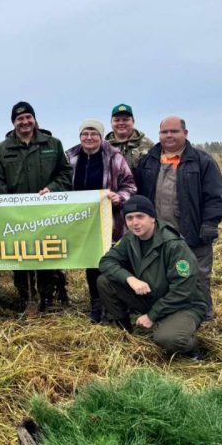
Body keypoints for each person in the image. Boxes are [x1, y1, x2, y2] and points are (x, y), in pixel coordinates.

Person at [135, 116, 222, 321]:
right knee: (164, 274)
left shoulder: (202, 161)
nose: (169, 135)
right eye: (164, 132)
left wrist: (210, 224)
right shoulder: (148, 161)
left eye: (174, 131)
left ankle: (204, 315)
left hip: (191, 231)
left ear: (185, 133)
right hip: (158, 232)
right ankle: (167, 314)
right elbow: (138, 194)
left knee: (198, 275)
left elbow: (215, 197)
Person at [97, 196, 207, 359]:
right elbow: (106, 262)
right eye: (129, 218)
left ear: (152, 218)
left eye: (140, 216)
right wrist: (130, 279)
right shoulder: (130, 239)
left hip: (184, 305)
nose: (135, 223)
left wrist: (152, 316)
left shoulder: (174, 245)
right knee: (105, 281)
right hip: (152, 297)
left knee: (168, 339)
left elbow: (183, 290)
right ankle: (125, 329)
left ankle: (192, 346)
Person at [0, 101, 73, 312]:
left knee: (47, 254)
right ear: (14, 122)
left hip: (48, 214)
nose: (25, 122)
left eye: (28, 117)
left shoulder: (52, 144)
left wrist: (53, 188)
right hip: (17, 216)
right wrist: (10, 209)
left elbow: (65, 173)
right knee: (22, 256)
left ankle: (49, 298)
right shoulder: (2, 149)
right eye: (20, 119)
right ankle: (28, 299)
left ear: (34, 119)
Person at [66, 120, 136, 322]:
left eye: (94, 134)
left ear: (101, 136)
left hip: (111, 221)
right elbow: (63, 184)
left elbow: (130, 185)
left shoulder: (114, 156)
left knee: (112, 262)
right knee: (92, 263)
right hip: (82, 221)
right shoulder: (70, 157)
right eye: (85, 134)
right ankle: (96, 304)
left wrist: (119, 197)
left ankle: (115, 306)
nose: (89, 138)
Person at [105, 104, 155, 172]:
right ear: (111, 122)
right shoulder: (103, 146)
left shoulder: (148, 145)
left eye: (125, 120)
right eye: (117, 120)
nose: (121, 123)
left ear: (133, 121)